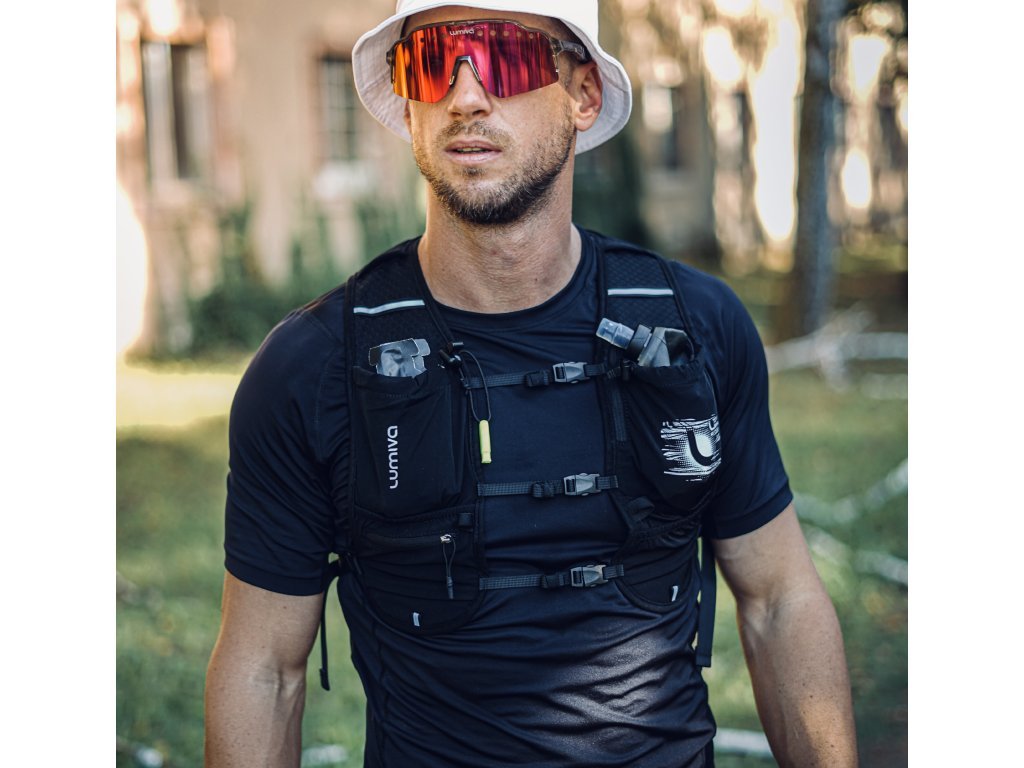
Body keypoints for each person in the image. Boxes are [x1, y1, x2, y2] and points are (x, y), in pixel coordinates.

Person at [204, 1, 858, 766]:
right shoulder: (313, 367)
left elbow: (779, 602)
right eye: (430, 62)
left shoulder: (695, 327)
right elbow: (265, 670)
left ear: (583, 94)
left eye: (503, 55)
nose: (464, 96)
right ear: (407, 104)